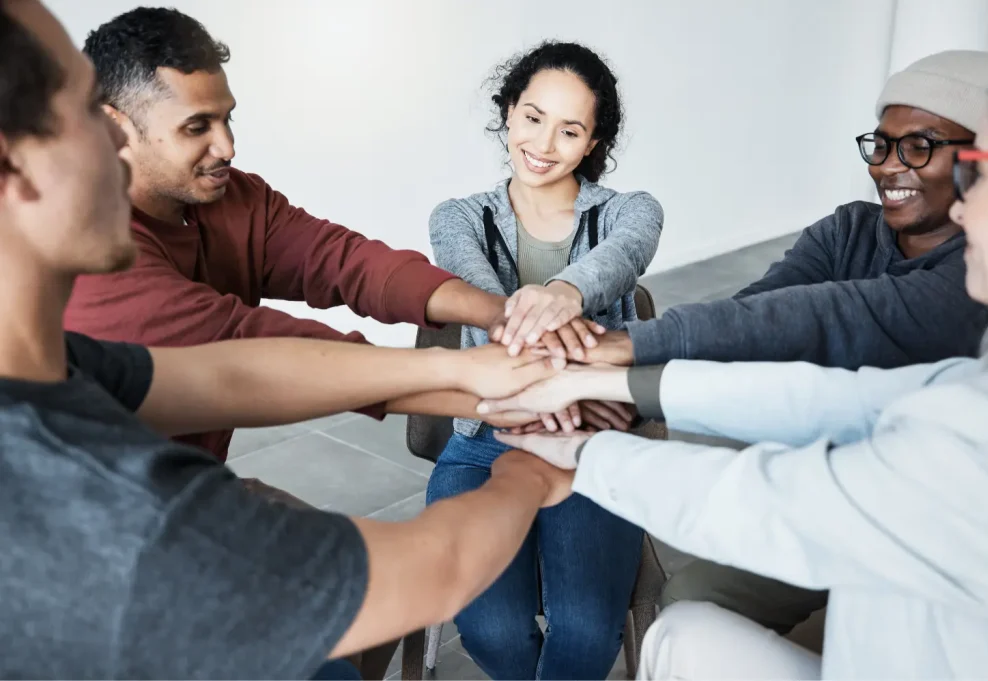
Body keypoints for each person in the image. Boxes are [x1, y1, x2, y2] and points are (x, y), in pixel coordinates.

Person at [0, 1, 572, 677]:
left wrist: (488, 352)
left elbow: (235, 371)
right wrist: (534, 469)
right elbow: (435, 571)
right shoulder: (117, 503)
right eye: (85, 114)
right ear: (15, 164)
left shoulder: (61, 372)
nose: (110, 150)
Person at [482, 55, 988, 678]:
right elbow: (827, 393)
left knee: (661, 631)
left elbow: (826, 334)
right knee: (678, 622)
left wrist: (594, 431)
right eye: (882, 144)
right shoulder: (981, 363)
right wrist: (613, 383)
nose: (963, 207)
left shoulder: (985, 396)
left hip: (846, 515)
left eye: (983, 176)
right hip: (852, 516)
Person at [62, 6, 524, 461]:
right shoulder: (87, 252)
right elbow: (246, 357)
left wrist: (499, 314)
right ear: (112, 126)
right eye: (197, 127)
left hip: (184, 482)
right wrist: (486, 382)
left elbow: (342, 260)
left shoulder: (233, 198)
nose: (227, 147)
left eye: (228, 119)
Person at [426, 41, 663, 680]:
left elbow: (623, 256)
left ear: (592, 143)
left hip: (594, 439)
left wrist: (562, 295)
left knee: (587, 632)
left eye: (570, 129)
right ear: (507, 113)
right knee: (491, 629)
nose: (544, 143)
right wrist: (564, 338)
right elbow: (489, 316)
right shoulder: (458, 220)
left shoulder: (627, 212)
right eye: (532, 117)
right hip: (485, 440)